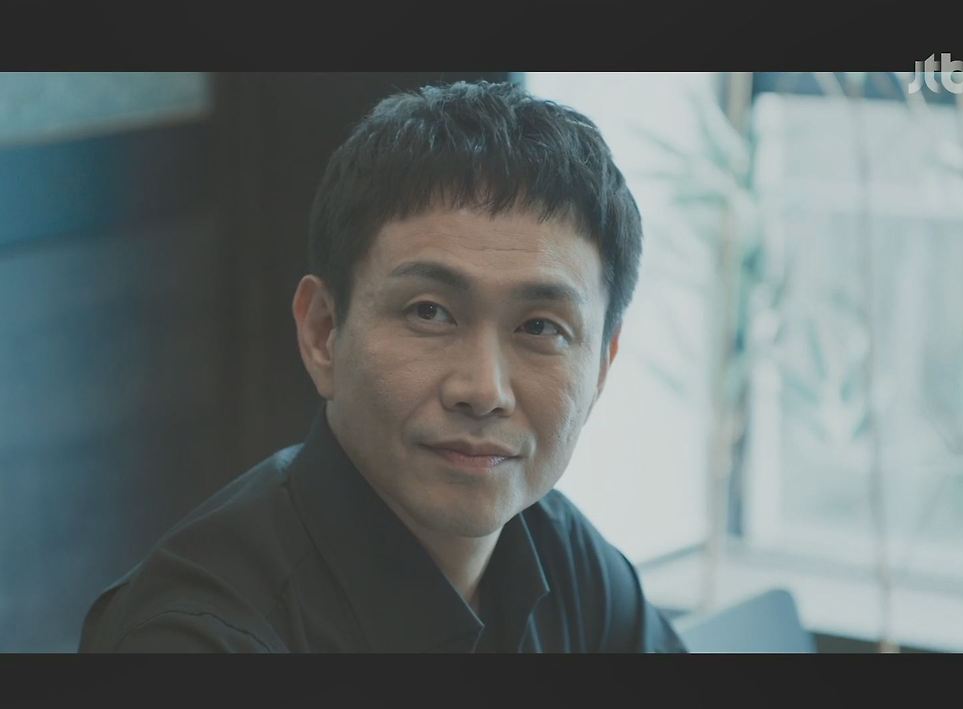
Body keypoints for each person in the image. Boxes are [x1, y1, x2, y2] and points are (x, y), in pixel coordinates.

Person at [78, 80, 687, 653]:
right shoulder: (195, 637)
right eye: (430, 312)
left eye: (540, 328)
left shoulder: (560, 552)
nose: (483, 390)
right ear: (323, 332)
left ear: (601, 368)